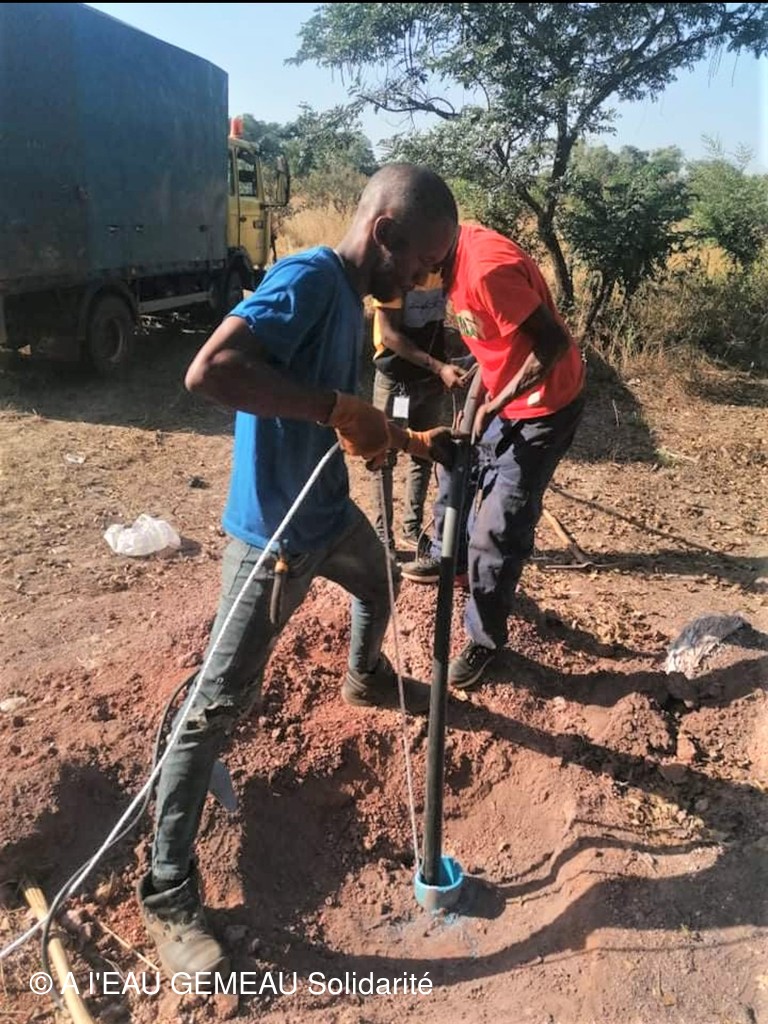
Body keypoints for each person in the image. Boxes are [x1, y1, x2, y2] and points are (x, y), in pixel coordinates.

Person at [137, 164, 459, 979]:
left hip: (326, 518)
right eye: (421, 263)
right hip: (273, 540)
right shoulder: (309, 280)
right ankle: (168, 894)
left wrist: (410, 441)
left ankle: (364, 676)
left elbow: (344, 414)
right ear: (384, 234)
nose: (422, 282)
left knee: (381, 582)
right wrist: (332, 408)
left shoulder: (353, 298)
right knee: (216, 708)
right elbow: (210, 371)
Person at [402, 222, 586, 690]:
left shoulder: (484, 270)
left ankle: (485, 639)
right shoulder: (451, 257)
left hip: (543, 409)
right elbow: (494, 345)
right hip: (501, 399)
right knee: (454, 470)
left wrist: (495, 403)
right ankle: (451, 559)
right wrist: (475, 405)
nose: (409, 281)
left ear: (427, 251)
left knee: (498, 527)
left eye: (409, 269)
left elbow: (552, 343)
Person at [370, 272, 467, 552]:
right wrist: (439, 367)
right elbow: (389, 335)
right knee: (382, 454)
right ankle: (383, 539)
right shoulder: (396, 272)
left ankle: (411, 529)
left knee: (425, 453)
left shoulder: (445, 270)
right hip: (395, 380)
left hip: (430, 379)